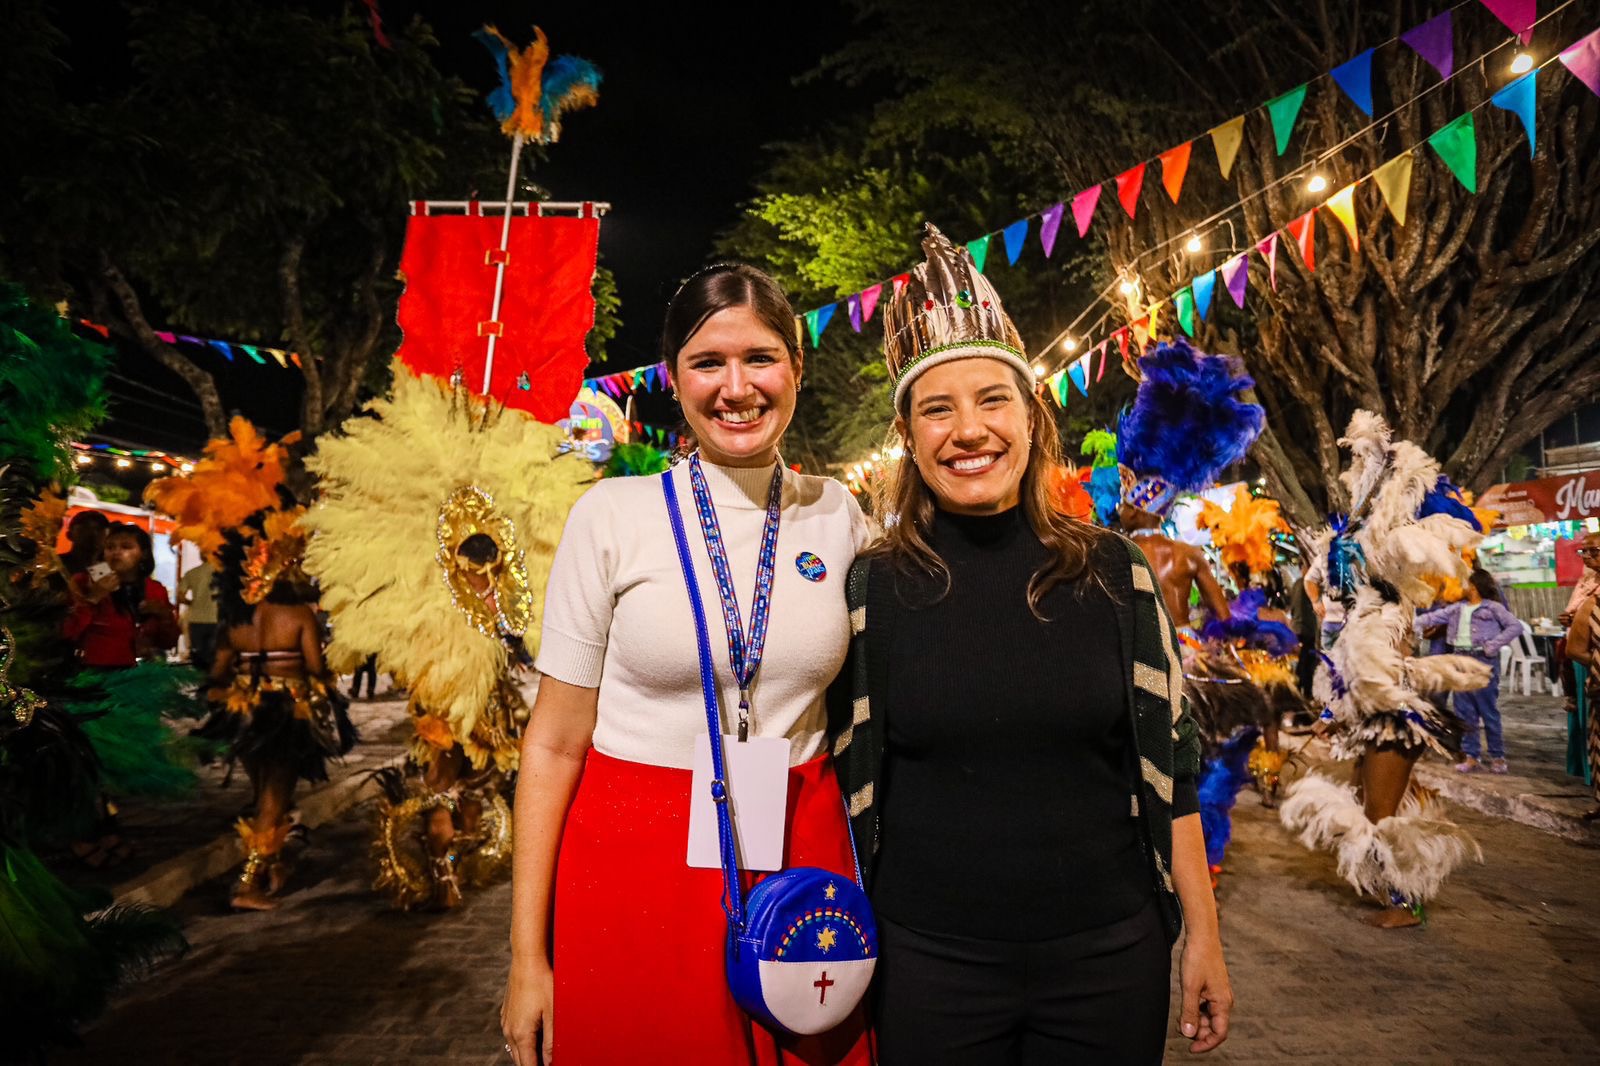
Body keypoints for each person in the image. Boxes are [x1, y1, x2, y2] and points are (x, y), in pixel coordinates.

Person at [829, 225, 1230, 1062]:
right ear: (910, 434)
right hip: (928, 967)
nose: (967, 430)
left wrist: (1202, 935)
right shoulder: (871, 588)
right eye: (937, 409)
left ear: (1031, 415)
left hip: (1108, 961)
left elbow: (1175, 767)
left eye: (992, 401)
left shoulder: (1115, 574)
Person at [501, 264, 872, 1064]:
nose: (736, 386)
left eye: (760, 358)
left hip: (798, 845)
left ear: (796, 368)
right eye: (708, 362)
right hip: (633, 858)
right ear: (674, 378)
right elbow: (554, 743)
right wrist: (527, 958)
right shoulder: (611, 517)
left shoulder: (838, 515)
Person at [1280, 411, 1488, 928]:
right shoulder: (1359, 588)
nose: (1360, 460)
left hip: (1389, 705)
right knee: (1375, 798)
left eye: (1370, 455)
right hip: (1366, 693)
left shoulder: (1392, 602)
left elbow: (1388, 655)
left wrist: (1376, 689)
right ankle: (1393, 890)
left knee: (1383, 812)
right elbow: (1349, 648)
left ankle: (1406, 903)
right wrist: (1335, 705)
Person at [1414, 569, 1522, 774]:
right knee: (1464, 711)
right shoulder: (1457, 608)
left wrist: (1492, 645)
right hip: (1460, 660)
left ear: (1473, 586)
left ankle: (1497, 756)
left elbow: (1514, 626)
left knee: (1487, 710)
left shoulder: (1493, 608)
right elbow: (1430, 618)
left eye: (1464, 584)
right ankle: (1472, 756)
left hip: (1482, 660)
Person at [63, 522, 179, 668]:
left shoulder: (154, 589)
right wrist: (93, 598)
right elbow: (67, 632)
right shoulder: (84, 582)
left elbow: (169, 642)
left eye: (126, 547)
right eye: (110, 547)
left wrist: (164, 616)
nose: (116, 552)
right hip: (93, 674)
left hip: (140, 675)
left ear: (143, 554)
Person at [1562, 531, 1600, 818]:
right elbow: (1576, 646)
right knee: (1591, 729)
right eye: (1584, 552)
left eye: (1593, 551)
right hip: (1590, 667)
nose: (1587, 557)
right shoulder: (1587, 587)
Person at [177, 558, 219, 674]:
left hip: (196, 619)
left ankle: (199, 682)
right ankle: (212, 683)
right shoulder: (222, 573)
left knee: (198, 655)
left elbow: (180, 597)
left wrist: (192, 603)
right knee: (215, 655)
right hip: (216, 618)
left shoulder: (192, 573)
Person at [58, 508, 109, 576]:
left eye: (99, 529)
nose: (93, 533)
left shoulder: (109, 569)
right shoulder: (57, 565)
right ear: (69, 535)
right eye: (85, 528)